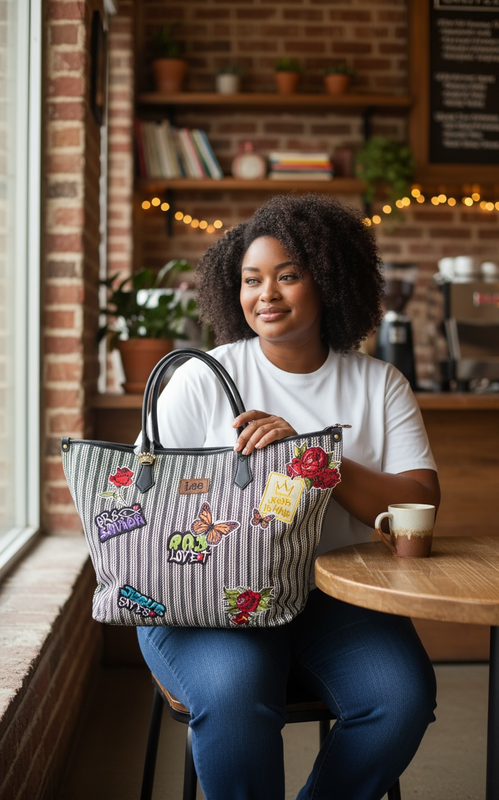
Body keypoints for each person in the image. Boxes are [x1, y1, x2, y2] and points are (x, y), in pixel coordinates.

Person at [137, 193, 439, 800]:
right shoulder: (202, 377)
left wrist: (313, 456)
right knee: (232, 694)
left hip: (334, 599)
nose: (265, 294)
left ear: (329, 282)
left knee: (400, 700)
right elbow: (146, 510)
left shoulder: (378, 384)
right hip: (209, 598)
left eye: (288, 275)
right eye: (251, 280)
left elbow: (418, 506)